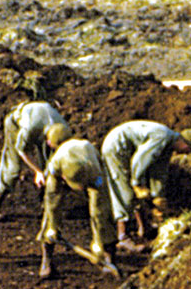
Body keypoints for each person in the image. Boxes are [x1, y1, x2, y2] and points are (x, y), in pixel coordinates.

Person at [101, 120, 191, 253]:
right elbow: (140, 160)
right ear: (184, 142)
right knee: (124, 192)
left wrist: (158, 196)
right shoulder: (162, 136)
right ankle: (123, 238)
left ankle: (144, 229)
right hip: (116, 147)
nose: (186, 153)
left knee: (138, 191)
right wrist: (136, 183)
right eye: (188, 150)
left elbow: (159, 172)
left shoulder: (167, 145)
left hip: (129, 150)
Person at [37, 134, 118, 279]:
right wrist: (53, 228)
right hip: (61, 168)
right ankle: (46, 260)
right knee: (51, 212)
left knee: (102, 214)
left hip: (91, 168)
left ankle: (108, 258)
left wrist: (98, 243)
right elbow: (52, 198)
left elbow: (99, 207)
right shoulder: (56, 164)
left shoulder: (95, 171)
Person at [0, 101, 70, 221]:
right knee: (13, 168)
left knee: (49, 163)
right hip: (15, 123)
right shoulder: (30, 128)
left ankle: (46, 202)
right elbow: (21, 150)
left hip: (41, 123)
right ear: (48, 141)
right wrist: (38, 171)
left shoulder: (63, 129)